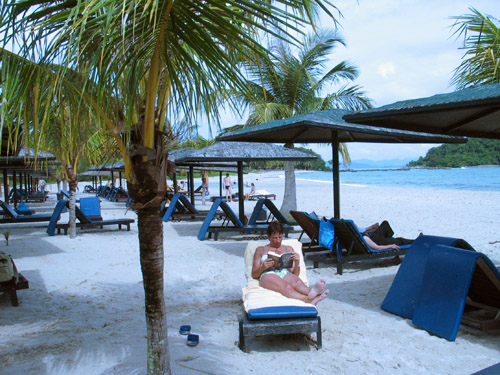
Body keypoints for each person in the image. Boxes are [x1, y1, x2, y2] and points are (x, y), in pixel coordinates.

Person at [251, 221, 329, 305]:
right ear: (268, 237)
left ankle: (312, 291)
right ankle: (307, 299)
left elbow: (295, 274)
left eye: (280, 237)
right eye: (275, 238)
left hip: (285, 273)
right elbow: (254, 274)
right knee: (286, 287)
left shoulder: (289, 249)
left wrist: (297, 263)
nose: (278, 240)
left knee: (297, 283)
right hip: (268, 274)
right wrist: (263, 267)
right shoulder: (260, 249)